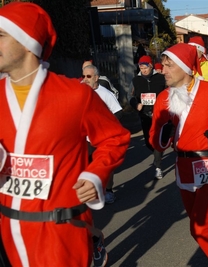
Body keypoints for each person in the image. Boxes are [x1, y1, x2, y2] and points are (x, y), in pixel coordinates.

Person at [0, 2, 131, 267]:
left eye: (1, 36)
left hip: (61, 231)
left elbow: (114, 138)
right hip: (8, 230)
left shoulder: (76, 95)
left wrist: (96, 174)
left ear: (28, 42)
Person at [149, 43, 208, 267]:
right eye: (162, 65)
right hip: (184, 168)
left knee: (200, 227)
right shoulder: (163, 98)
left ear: (185, 68)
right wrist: (163, 134)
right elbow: (156, 139)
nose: (163, 70)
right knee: (204, 225)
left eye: (169, 65)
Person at [82, 64, 123, 204]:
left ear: (96, 77)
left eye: (89, 76)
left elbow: (118, 112)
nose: (85, 79)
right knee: (86, 166)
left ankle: (109, 190)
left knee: (105, 166)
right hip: (86, 138)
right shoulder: (80, 91)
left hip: (102, 138)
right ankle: (92, 190)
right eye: (84, 76)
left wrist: (107, 128)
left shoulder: (105, 94)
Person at [130, 55, 167, 179]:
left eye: (145, 67)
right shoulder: (136, 80)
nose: (143, 70)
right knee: (148, 142)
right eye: (141, 67)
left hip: (159, 113)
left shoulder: (161, 78)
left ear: (151, 66)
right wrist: (136, 104)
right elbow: (130, 97)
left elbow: (169, 92)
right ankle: (158, 152)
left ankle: (157, 166)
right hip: (144, 114)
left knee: (156, 138)